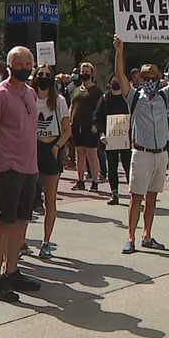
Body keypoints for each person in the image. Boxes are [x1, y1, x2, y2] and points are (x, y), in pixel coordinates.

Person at [114, 36, 169, 254]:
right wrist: (119, 51)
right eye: (146, 77)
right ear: (140, 79)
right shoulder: (133, 97)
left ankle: (147, 235)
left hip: (161, 154)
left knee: (152, 197)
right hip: (141, 152)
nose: (150, 79)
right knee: (136, 197)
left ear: (158, 79)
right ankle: (130, 236)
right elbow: (120, 76)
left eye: (153, 77)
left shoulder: (164, 96)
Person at [0, 47, 43, 301]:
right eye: (20, 63)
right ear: (10, 65)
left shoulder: (30, 93)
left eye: (29, 63)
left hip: (30, 166)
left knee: (21, 220)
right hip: (8, 167)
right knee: (4, 221)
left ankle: (12, 270)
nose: (25, 67)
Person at [33, 64, 71, 258]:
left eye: (48, 74)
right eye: (40, 74)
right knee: (26, 198)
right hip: (32, 149)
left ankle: (46, 242)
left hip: (51, 149)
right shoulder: (29, 97)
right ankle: (20, 241)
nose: (44, 77)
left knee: (50, 200)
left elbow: (67, 130)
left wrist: (57, 147)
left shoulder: (59, 101)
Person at [94, 77, 131, 205]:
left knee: (129, 167)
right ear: (109, 84)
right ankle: (114, 194)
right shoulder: (105, 99)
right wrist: (101, 134)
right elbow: (97, 117)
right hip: (110, 141)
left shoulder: (128, 98)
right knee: (112, 167)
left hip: (126, 140)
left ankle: (133, 193)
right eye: (114, 80)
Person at [69, 63, 102, 191]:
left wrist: (97, 125)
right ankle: (80, 180)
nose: (84, 73)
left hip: (90, 127)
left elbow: (100, 110)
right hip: (77, 126)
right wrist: (69, 119)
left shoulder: (96, 91)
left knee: (92, 155)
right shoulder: (76, 90)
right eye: (82, 71)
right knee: (79, 154)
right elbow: (72, 106)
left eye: (87, 71)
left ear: (91, 73)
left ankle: (94, 181)